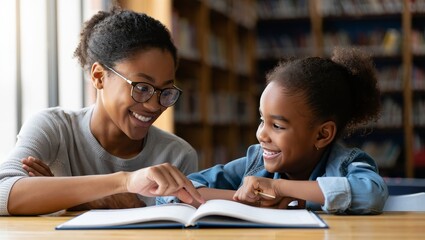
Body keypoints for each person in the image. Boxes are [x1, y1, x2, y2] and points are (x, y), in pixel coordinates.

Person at [0, 6, 204, 216]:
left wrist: (58, 196)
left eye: (165, 91)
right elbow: (2, 192)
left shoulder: (177, 155)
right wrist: (121, 184)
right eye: (142, 88)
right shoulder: (54, 128)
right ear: (99, 77)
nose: (154, 106)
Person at [159, 47, 389, 214]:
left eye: (277, 126)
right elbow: (174, 192)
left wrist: (279, 188)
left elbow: (372, 194)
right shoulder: (255, 162)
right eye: (262, 120)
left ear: (322, 135)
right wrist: (251, 200)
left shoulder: (347, 164)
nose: (261, 134)